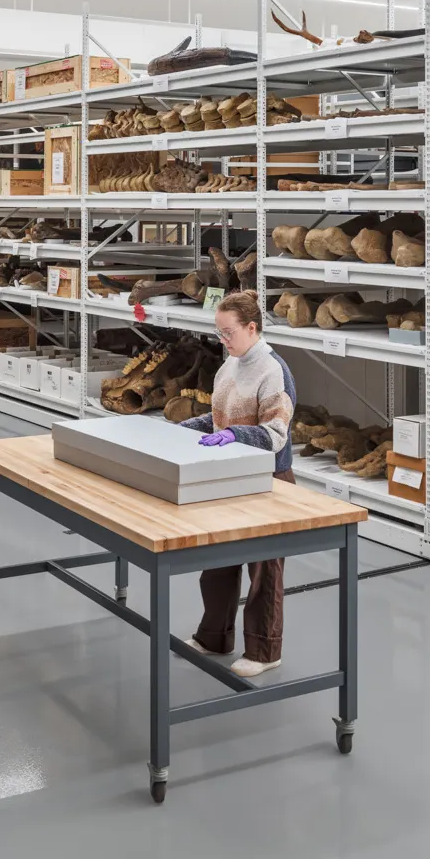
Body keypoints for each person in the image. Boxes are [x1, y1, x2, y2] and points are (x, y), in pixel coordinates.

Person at [181, 289, 296, 679]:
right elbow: (219, 419)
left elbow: (276, 434)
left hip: (269, 479)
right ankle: (214, 636)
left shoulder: (273, 370)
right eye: (218, 334)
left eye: (228, 333)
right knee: (217, 562)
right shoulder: (228, 365)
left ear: (252, 327)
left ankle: (265, 651)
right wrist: (186, 429)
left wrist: (236, 436)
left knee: (264, 569)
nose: (223, 341)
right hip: (229, 476)